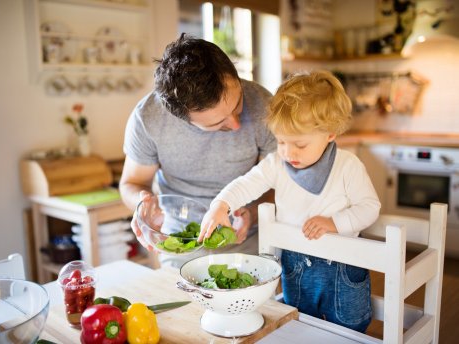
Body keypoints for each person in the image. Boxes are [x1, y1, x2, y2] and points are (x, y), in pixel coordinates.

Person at [198, 70, 381, 333]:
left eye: (299, 144)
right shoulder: (277, 164)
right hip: (295, 265)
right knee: (299, 324)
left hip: (341, 267)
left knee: (349, 328)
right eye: (281, 141)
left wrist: (334, 222)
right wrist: (222, 204)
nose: (288, 152)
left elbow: (370, 207)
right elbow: (247, 183)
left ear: (329, 133)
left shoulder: (348, 166)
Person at [119, 33, 276, 268]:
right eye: (217, 123)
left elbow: (281, 180)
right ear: (181, 117)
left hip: (250, 242)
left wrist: (252, 213)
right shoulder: (148, 118)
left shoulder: (264, 104)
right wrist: (143, 204)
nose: (236, 125)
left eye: (237, 104)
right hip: (181, 243)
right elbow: (131, 183)